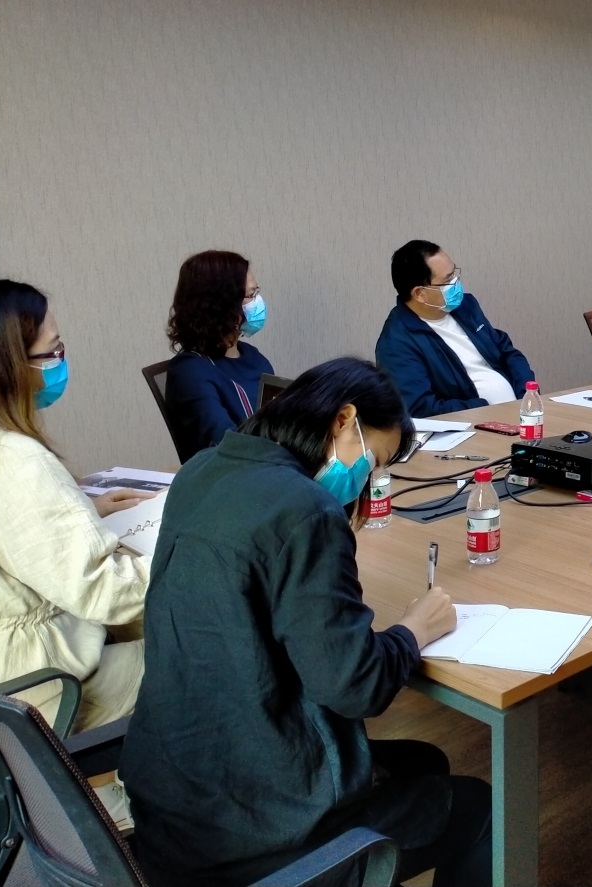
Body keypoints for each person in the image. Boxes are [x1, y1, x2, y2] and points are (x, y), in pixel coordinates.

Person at [119, 358, 492, 887]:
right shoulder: (305, 510)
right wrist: (414, 630)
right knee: (479, 809)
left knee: (422, 761)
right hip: (247, 826)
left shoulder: (202, 470)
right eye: (374, 461)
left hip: (171, 794)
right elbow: (354, 686)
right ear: (343, 420)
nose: (366, 481)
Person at [0, 279, 149, 732]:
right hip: (48, 692)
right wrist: (185, 557)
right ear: (11, 366)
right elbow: (104, 591)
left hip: (10, 683)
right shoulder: (16, 460)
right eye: (53, 351)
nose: (61, 361)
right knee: (216, 648)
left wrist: (81, 510)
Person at [376, 239, 535, 416]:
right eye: (448, 280)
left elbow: (505, 350)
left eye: (454, 273)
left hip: (519, 413)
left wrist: (527, 393)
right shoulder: (396, 343)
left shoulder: (465, 306)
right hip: (476, 424)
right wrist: (485, 407)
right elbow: (420, 407)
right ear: (420, 294)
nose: (456, 283)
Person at [165, 250, 274, 463]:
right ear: (220, 305)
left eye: (256, 293)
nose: (257, 303)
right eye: (250, 295)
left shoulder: (253, 357)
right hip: (233, 474)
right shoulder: (190, 372)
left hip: (269, 466)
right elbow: (225, 445)